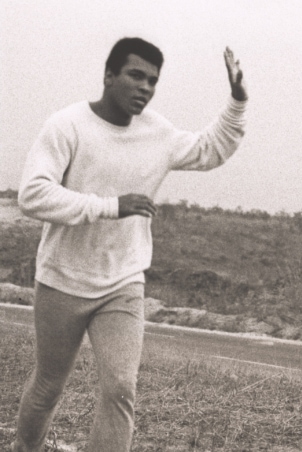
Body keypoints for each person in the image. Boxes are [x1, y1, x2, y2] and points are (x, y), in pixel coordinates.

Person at [12, 38, 247, 452]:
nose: (145, 87)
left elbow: (210, 149)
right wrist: (108, 206)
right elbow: (32, 194)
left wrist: (237, 100)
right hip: (62, 279)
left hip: (123, 281)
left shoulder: (157, 133)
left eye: (153, 81)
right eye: (135, 76)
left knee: (121, 387)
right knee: (49, 386)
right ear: (109, 76)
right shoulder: (67, 125)